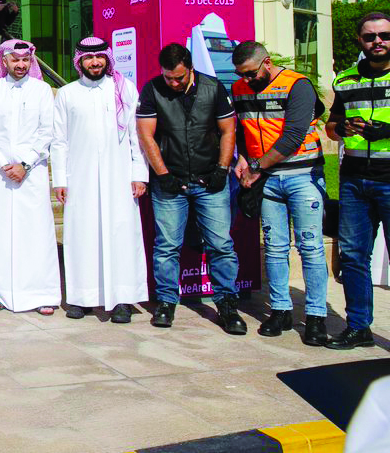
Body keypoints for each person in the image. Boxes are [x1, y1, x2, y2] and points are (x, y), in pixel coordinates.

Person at [137, 42, 245, 335]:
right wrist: (163, 174)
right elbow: (146, 135)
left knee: (221, 245)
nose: (173, 83)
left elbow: (228, 130)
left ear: (191, 70)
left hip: (210, 180)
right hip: (170, 183)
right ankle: (166, 302)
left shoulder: (213, 88)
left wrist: (222, 169)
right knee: (167, 246)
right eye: (168, 77)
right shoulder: (152, 89)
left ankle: (226, 304)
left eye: (179, 78)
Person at [229, 40, 328, 345]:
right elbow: (245, 129)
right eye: (241, 74)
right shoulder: (240, 89)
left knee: (310, 248)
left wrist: (256, 166)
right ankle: (281, 310)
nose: (247, 80)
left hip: (302, 176)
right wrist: (244, 158)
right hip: (268, 180)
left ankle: (315, 316)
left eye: (251, 73)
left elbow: (293, 136)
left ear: (267, 62)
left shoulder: (297, 86)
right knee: (274, 247)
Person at [52, 38, 148, 323]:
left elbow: (136, 137)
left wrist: (138, 174)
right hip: (79, 179)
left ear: (107, 58)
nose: (95, 63)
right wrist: (60, 180)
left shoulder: (124, 89)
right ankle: (82, 298)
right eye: (89, 58)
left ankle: (121, 299)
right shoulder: (67, 94)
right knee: (81, 236)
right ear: (79, 61)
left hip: (119, 178)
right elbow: (59, 141)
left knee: (120, 236)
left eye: (100, 58)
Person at [0, 40, 61, 314]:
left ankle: (40, 294)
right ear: (4, 61)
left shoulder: (41, 91)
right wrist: (3, 163)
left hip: (31, 173)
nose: (21, 65)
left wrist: (25, 164)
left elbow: (47, 131)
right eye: (15, 60)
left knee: (35, 232)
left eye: (25, 60)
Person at [324, 11, 390, 350]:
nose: (378, 41)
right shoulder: (346, 79)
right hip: (354, 181)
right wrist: (341, 129)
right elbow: (331, 126)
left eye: (384, 35)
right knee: (352, 256)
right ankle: (359, 327)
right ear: (359, 41)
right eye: (370, 37)